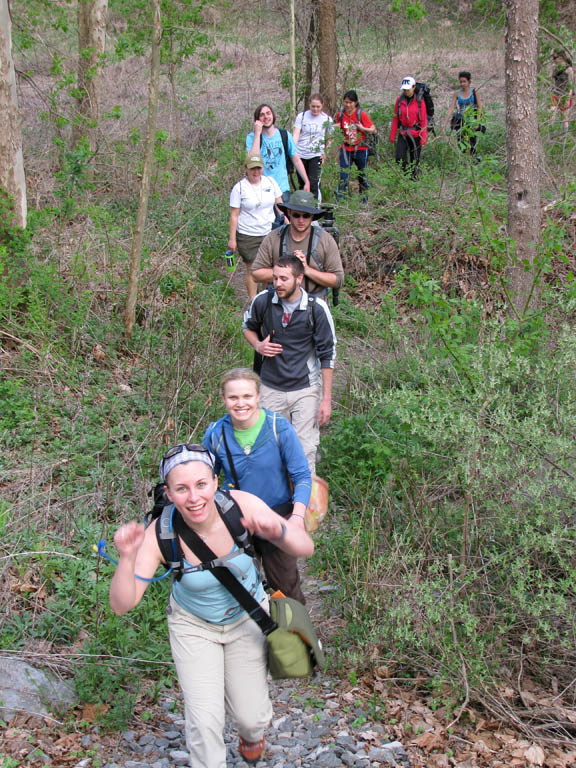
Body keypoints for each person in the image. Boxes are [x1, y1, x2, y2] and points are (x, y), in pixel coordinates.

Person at [109, 444, 313, 768]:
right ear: (169, 493)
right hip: (194, 627)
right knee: (204, 722)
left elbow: (307, 546)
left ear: (216, 482)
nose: (193, 497)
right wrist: (127, 557)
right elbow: (123, 603)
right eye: (182, 488)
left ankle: (251, 734)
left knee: (252, 717)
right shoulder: (160, 533)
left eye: (201, 484)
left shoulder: (240, 506)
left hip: (246, 618)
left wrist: (280, 532)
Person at [203, 368, 311, 603]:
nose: (240, 403)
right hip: (235, 519)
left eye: (247, 396)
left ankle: (301, 637)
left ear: (258, 396)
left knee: (285, 586)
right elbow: (205, 480)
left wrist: (297, 518)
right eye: (233, 397)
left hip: (277, 516)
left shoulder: (277, 427)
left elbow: (302, 475)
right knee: (241, 589)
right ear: (223, 399)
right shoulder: (215, 434)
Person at [243, 255, 337, 475]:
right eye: (275, 278)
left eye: (284, 278)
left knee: (304, 452)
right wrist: (258, 345)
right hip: (270, 387)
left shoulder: (317, 309)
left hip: (305, 389)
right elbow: (247, 325)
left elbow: (328, 354)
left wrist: (326, 399)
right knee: (270, 451)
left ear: (299, 279)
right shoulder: (263, 301)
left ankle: (306, 508)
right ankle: (276, 506)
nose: (277, 283)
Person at [250, 189, 344, 300]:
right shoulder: (273, 237)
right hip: (279, 304)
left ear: (312, 217)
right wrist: (286, 273)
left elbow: (338, 279)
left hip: (314, 304)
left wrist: (306, 270)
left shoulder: (325, 240)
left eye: (306, 216)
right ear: (289, 212)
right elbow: (256, 273)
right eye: (296, 215)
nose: (301, 220)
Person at [228, 154, 283, 300]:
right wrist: (232, 239)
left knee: (269, 267)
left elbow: (279, 204)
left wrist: (288, 222)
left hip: (269, 232)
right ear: (246, 168)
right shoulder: (239, 188)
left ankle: (266, 298)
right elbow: (234, 214)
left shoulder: (270, 182)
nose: (256, 171)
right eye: (252, 168)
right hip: (248, 234)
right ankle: (253, 301)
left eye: (258, 168)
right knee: (253, 268)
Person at [246, 104, 310, 226]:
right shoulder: (252, 137)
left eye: (268, 113)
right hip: (261, 190)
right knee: (267, 226)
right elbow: (252, 160)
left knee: (284, 225)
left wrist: (306, 180)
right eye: (262, 114)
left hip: (282, 189)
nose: (266, 117)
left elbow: (296, 159)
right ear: (257, 119)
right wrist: (257, 133)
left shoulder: (284, 135)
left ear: (273, 115)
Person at [334, 90, 377, 199]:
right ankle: (341, 200)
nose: (348, 105)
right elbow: (339, 125)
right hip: (346, 148)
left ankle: (364, 200)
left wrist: (362, 128)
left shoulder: (360, 114)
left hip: (360, 148)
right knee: (343, 175)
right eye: (346, 102)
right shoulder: (341, 114)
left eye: (350, 102)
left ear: (356, 102)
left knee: (362, 174)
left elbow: (373, 129)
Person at [292, 93, 334, 199]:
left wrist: (326, 153)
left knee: (314, 183)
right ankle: (303, 208)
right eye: (313, 106)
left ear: (322, 106)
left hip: (316, 154)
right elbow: (296, 133)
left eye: (318, 107)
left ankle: (314, 208)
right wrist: (293, 150)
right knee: (303, 183)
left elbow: (331, 137)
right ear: (309, 105)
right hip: (301, 154)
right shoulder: (301, 117)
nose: (315, 109)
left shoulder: (327, 119)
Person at [390, 76, 428, 178]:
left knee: (414, 160)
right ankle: (406, 176)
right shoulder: (399, 100)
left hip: (416, 134)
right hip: (403, 133)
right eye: (404, 89)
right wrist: (392, 136)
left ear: (414, 87)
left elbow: (423, 120)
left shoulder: (420, 101)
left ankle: (413, 179)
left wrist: (423, 138)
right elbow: (395, 118)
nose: (406, 91)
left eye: (408, 89)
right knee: (399, 158)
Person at [443, 71, 483, 158]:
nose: (462, 84)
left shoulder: (474, 92)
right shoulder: (457, 94)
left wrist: (477, 121)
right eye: (460, 81)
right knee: (461, 144)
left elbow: (480, 107)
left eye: (464, 81)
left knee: (472, 144)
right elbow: (451, 108)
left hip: (472, 122)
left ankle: (474, 161)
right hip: (461, 122)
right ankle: (463, 163)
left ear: (468, 82)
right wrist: (445, 123)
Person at [550, 50, 574, 133]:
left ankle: (564, 136)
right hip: (555, 93)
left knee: (564, 117)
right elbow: (552, 80)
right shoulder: (555, 68)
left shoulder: (569, 69)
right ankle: (551, 132)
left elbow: (570, 85)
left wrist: (568, 97)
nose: (554, 60)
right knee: (551, 113)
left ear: (561, 58)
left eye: (555, 58)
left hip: (564, 95)